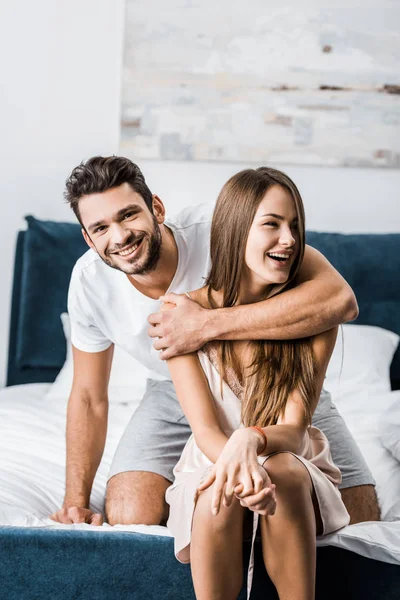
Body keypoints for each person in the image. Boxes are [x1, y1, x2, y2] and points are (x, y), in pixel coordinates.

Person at [49, 156, 379, 528]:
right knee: (129, 516)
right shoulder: (89, 283)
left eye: (128, 215)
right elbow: (89, 397)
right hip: (171, 388)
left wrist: (206, 324)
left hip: (270, 375)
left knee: (359, 515)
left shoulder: (222, 225)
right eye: (101, 228)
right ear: (88, 238)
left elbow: (339, 300)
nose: (120, 236)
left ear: (156, 208)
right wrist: (74, 501)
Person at [163, 167, 350, 600]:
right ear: (235, 230)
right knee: (219, 486)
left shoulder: (312, 315)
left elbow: (293, 430)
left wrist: (251, 439)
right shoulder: (180, 317)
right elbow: (207, 432)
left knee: (281, 471)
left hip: (287, 456)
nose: (289, 239)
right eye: (272, 224)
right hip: (211, 458)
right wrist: (242, 465)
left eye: (295, 226)